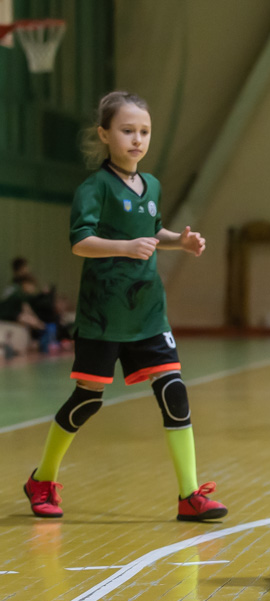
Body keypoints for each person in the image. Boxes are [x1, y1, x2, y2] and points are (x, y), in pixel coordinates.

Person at [23, 91, 227, 522]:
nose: (137, 139)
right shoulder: (93, 188)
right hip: (103, 314)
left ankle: (189, 494)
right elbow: (81, 242)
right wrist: (125, 246)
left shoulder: (151, 185)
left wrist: (179, 241)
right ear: (104, 134)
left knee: (174, 391)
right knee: (87, 400)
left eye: (144, 131)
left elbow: (152, 231)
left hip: (148, 311)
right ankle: (42, 480)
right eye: (127, 130)